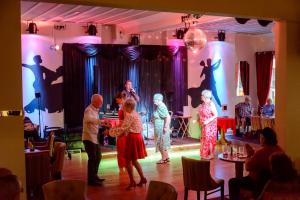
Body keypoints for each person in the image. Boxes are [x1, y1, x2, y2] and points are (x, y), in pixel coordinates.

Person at [228, 127, 283, 200]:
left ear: (264, 139)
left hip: (258, 183)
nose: (260, 139)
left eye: (260, 137)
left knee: (233, 182)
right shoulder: (279, 149)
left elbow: (248, 167)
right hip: (273, 183)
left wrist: (249, 155)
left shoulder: (262, 152)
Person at [109, 98, 147, 190]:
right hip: (138, 137)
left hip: (133, 138)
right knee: (134, 160)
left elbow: (123, 128)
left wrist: (110, 132)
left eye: (124, 106)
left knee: (127, 161)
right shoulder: (136, 113)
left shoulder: (130, 115)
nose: (123, 108)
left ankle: (132, 182)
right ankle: (142, 178)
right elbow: (124, 127)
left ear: (128, 106)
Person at [82, 94, 106, 186]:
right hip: (88, 138)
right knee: (92, 158)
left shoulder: (95, 110)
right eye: (100, 102)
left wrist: (102, 125)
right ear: (95, 101)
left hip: (94, 138)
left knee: (98, 157)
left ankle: (94, 176)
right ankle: (91, 180)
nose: (101, 103)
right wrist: (101, 122)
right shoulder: (89, 110)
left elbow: (93, 123)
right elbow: (88, 119)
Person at [198, 90, 218, 159]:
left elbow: (215, 115)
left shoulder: (211, 104)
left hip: (210, 125)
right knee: (204, 139)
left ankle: (211, 154)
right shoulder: (203, 104)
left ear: (206, 96)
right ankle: (205, 154)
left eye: (202, 95)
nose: (201, 97)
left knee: (209, 139)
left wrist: (207, 121)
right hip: (204, 125)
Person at [153, 93, 171, 164]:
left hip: (161, 129)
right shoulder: (160, 106)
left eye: (154, 99)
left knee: (161, 144)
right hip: (160, 128)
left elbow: (168, 116)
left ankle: (163, 159)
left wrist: (166, 127)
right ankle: (166, 157)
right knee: (162, 143)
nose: (153, 100)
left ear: (158, 100)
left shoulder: (161, 106)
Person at [115, 92, 127, 172]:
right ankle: (122, 166)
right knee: (120, 149)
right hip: (121, 129)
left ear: (121, 99)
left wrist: (122, 129)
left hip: (123, 131)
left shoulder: (125, 107)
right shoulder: (122, 107)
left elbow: (126, 120)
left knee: (122, 149)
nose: (116, 102)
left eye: (117, 100)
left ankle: (124, 165)